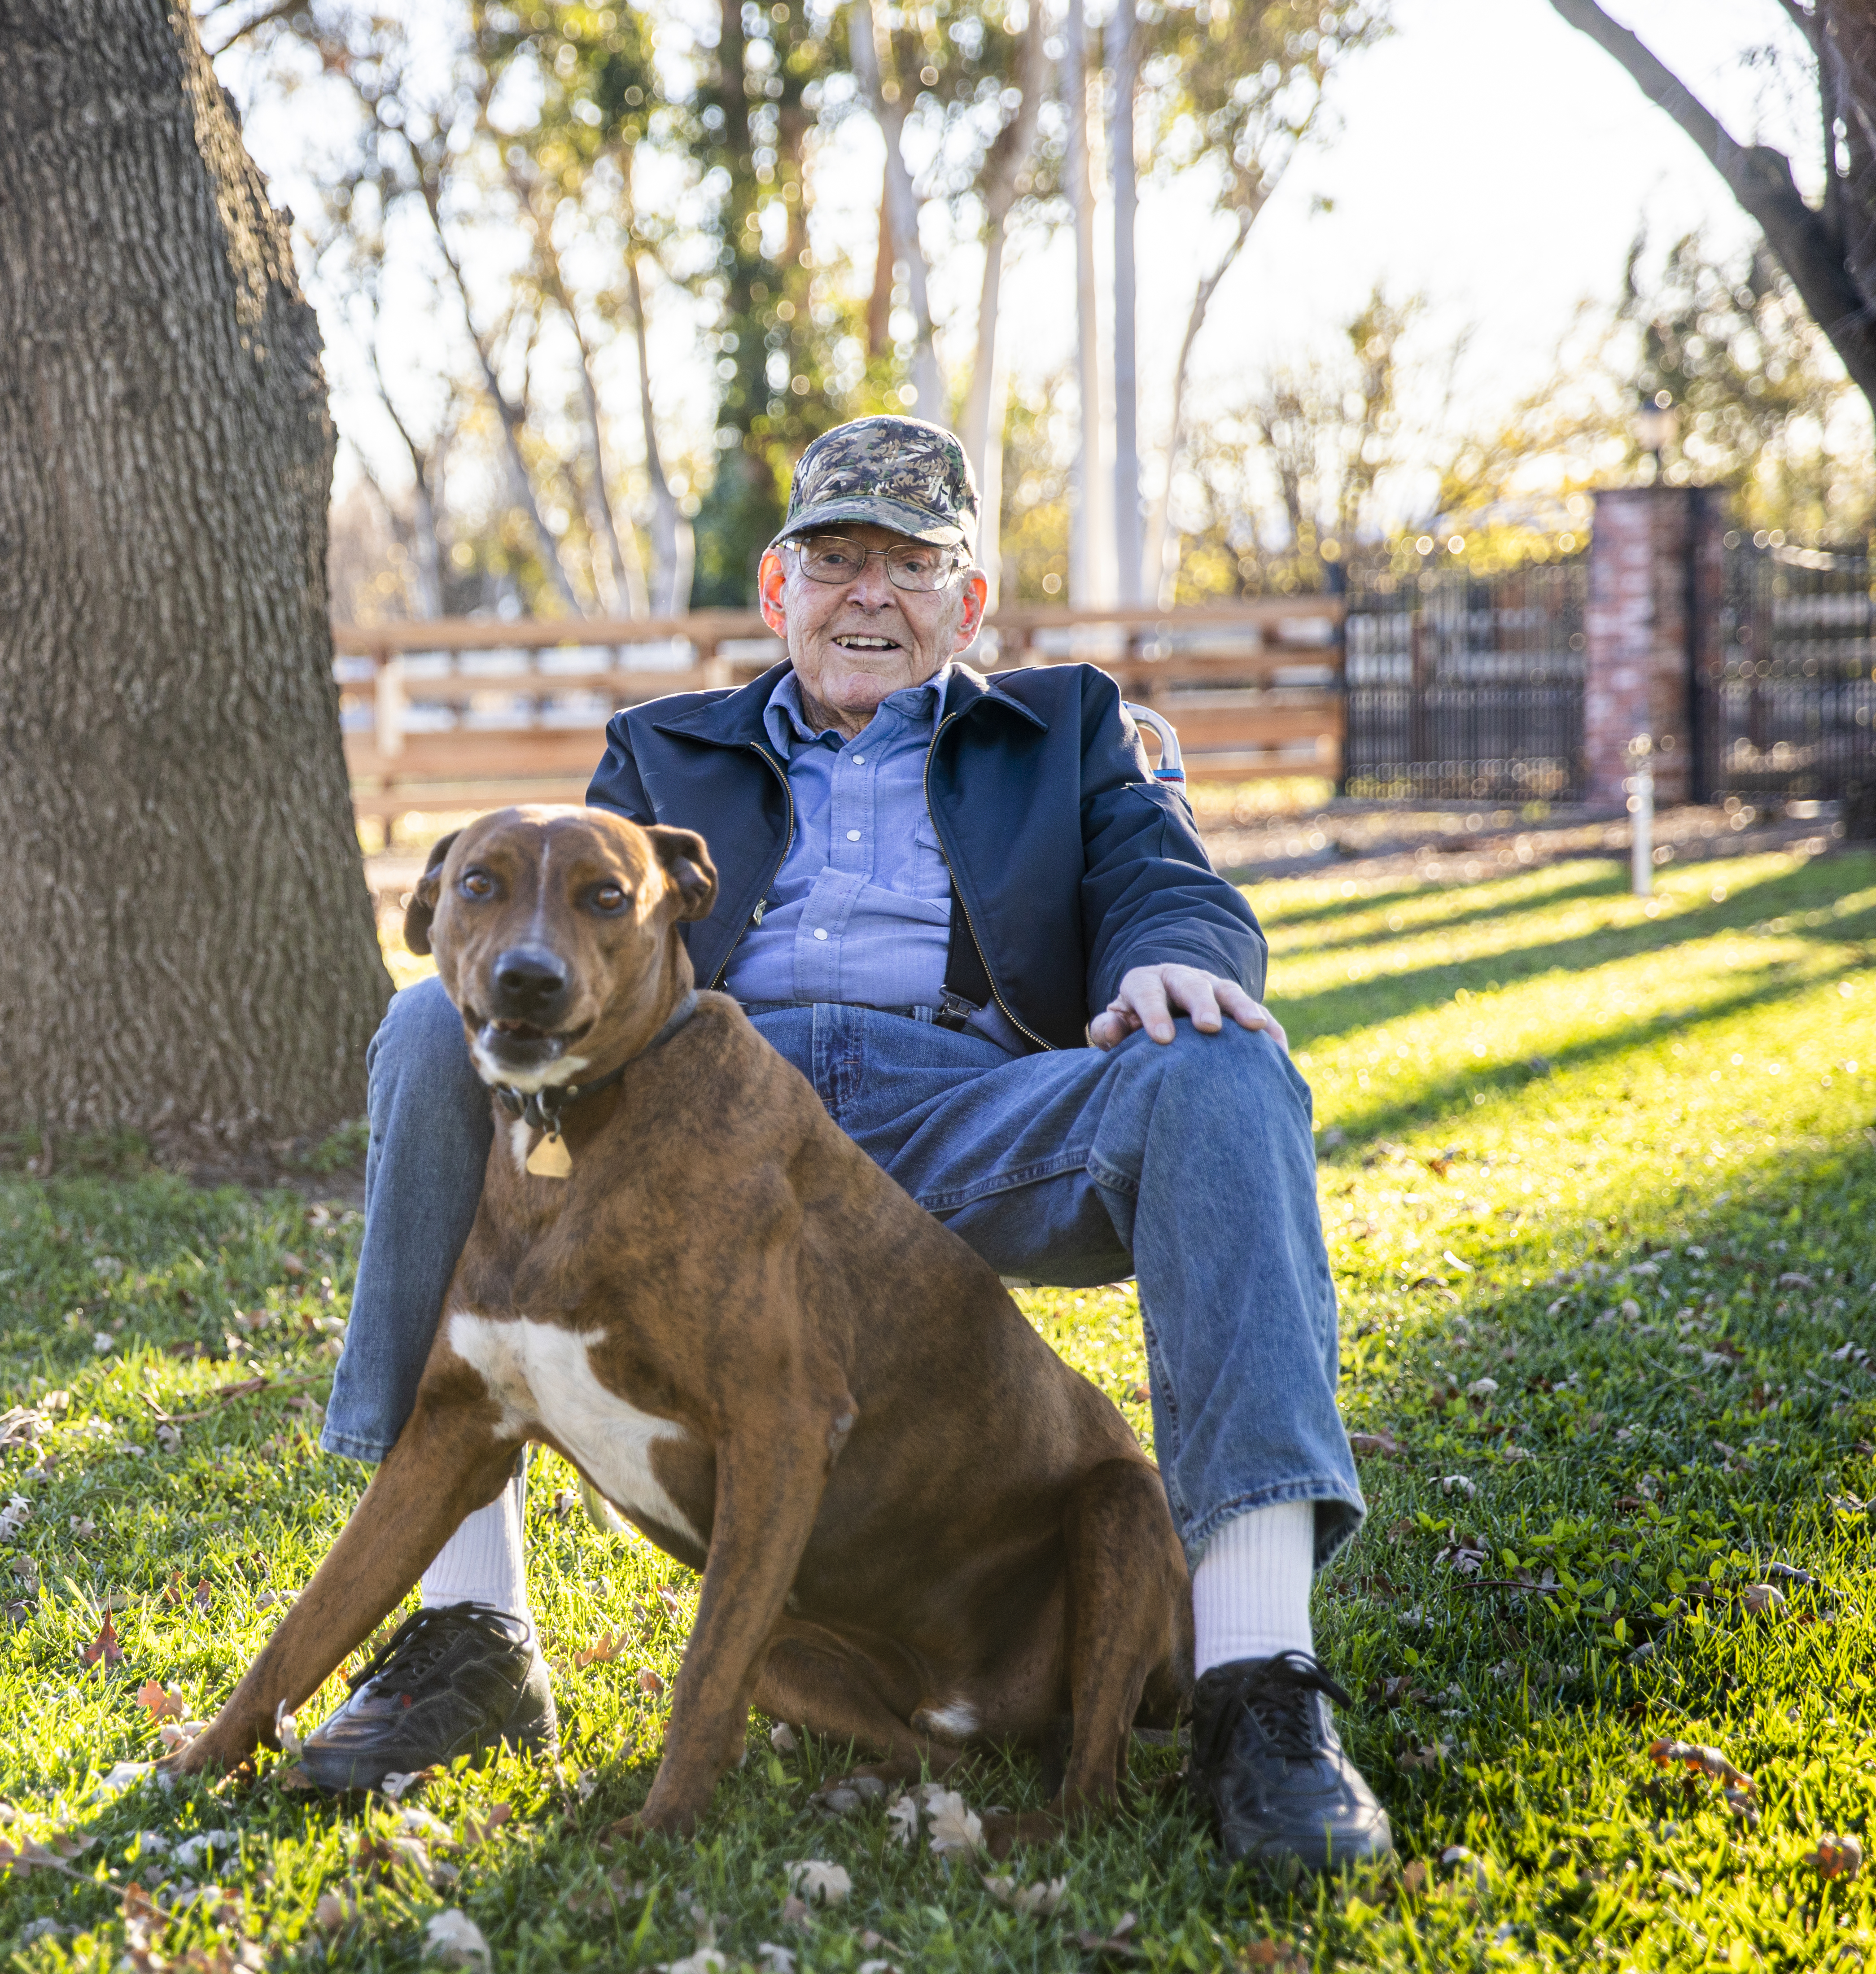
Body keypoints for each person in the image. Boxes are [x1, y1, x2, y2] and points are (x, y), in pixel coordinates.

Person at [295, 415, 1388, 1869]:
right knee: (429, 1030)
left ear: (970, 601)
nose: (871, 592)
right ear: (778, 591)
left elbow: (1164, 877)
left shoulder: (1067, 731)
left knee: (1229, 1071)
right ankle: (465, 1632)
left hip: (967, 1115)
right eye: (836, 557)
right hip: (713, 1132)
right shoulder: (662, 750)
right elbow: (568, 943)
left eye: (914, 562)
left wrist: (1167, 959)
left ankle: (1260, 1679)